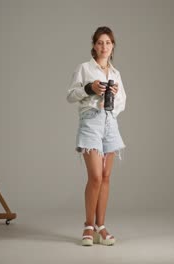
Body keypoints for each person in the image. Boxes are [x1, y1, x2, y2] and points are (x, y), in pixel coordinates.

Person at [67, 26, 126, 246]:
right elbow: (70, 95)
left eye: (108, 43)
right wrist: (90, 88)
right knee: (96, 176)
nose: (104, 47)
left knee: (107, 176)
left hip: (110, 122)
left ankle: (101, 226)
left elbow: (122, 103)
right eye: (100, 42)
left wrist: (114, 97)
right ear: (94, 45)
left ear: (113, 46)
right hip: (90, 122)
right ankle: (88, 226)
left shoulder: (116, 73)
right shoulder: (84, 68)